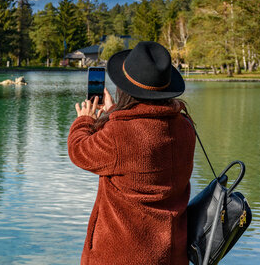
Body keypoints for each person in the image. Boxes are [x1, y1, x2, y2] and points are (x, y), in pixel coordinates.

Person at [68, 41, 196, 265]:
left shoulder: (120, 134)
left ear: (124, 89)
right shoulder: (185, 126)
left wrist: (84, 120)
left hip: (121, 255)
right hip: (172, 254)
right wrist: (113, 113)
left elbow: (79, 151)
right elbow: (143, 138)